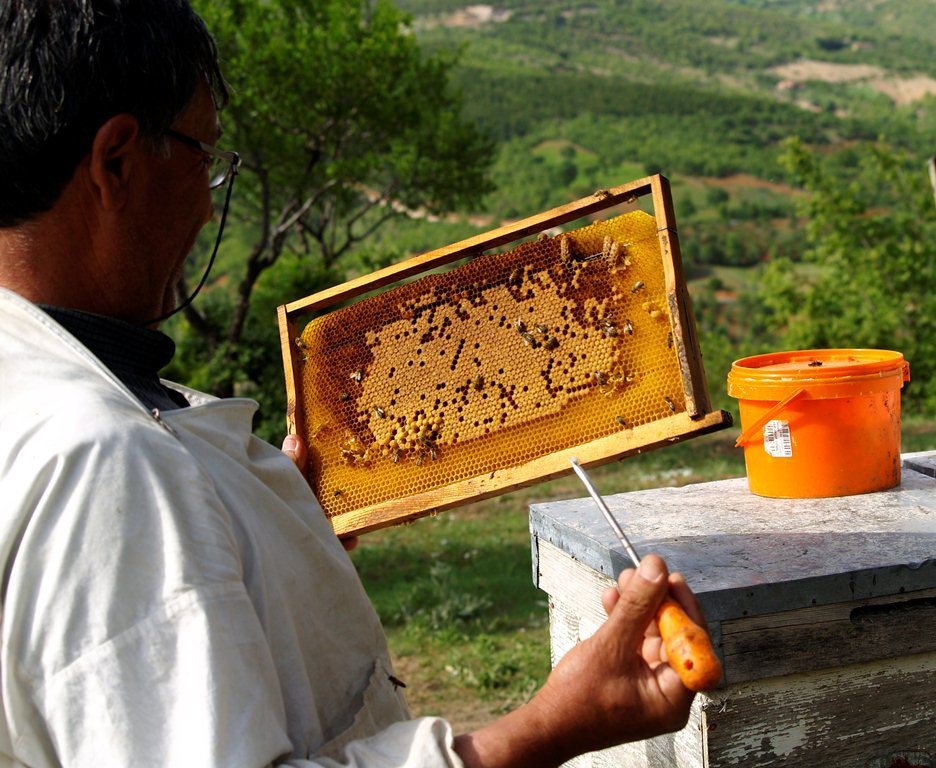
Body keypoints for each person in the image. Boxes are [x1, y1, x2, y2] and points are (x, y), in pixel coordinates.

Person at [0, 1, 707, 766]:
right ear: (116, 161)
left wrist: (273, 539)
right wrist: (550, 726)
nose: (209, 206)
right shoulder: (101, 461)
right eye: (203, 155)